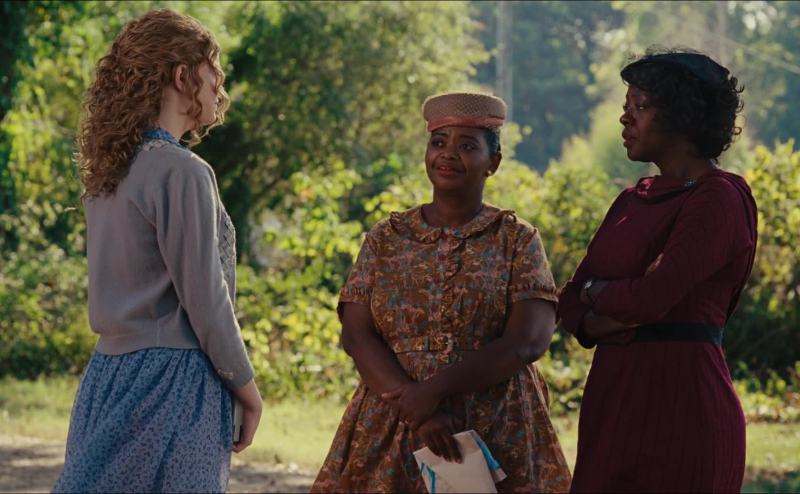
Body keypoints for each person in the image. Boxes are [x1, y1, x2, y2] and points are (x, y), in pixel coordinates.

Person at [312, 92, 571, 493]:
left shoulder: (516, 239)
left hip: (495, 426)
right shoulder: (386, 238)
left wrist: (431, 392)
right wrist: (418, 411)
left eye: (467, 146)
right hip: (394, 422)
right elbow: (357, 335)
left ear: (493, 163)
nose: (448, 154)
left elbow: (528, 341)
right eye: (438, 142)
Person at [53, 9, 262, 492]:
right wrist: (247, 389)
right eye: (213, 69)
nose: (219, 85)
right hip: (173, 383)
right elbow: (206, 300)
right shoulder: (183, 171)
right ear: (183, 76)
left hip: (107, 377)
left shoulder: (108, 174)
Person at [558, 48, 757, 493]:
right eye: (626, 106)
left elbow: (652, 297)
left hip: (682, 407)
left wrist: (599, 295)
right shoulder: (632, 201)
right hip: (612, 402)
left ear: (681, 115)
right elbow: (568, 302)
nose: (625, 118)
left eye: (640, 106)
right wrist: (607, 300)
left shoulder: (718, 198)